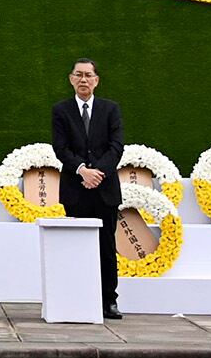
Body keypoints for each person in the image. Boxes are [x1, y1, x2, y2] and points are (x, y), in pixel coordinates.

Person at [51, 57, 124, 320]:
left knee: (106, 247)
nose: (84, 80)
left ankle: (109, 301)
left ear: (96, 80)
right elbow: (60, 148)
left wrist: (98, 173)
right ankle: (77, 297)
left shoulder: (110, 109)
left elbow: (116, 146)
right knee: (76, 247)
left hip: (105, 190)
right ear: (71, 79)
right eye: (78, 75)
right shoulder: (61, 110)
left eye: (88, 75)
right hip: (76, 188)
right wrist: (82, 170)